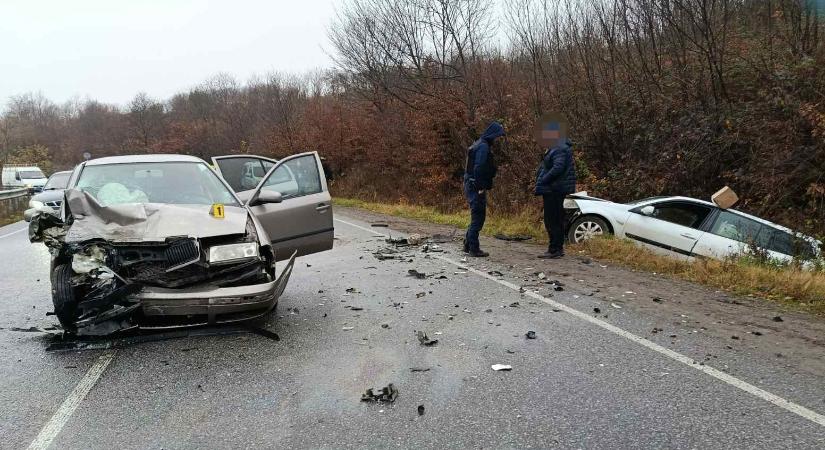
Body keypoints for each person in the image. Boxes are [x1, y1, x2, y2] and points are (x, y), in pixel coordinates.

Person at [534, 115, 576, 259]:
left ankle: (555, 249)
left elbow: (557, 168)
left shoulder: (558, 148)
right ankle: (555, 248)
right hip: (554, 188)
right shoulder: (557, 146)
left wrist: (544, 180)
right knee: (554, 219)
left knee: (552, 220)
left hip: (554, 189)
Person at [463, 121, 505, 257]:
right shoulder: (483, 147)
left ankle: (468, 244)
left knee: (476, 215)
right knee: (478, 217)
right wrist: (480, 186)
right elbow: (479, 167)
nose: (498, 139)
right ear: (493, 135)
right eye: (498, 136)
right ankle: (474, 249)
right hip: (476, 186)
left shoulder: (478, 143)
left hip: (470, 183)